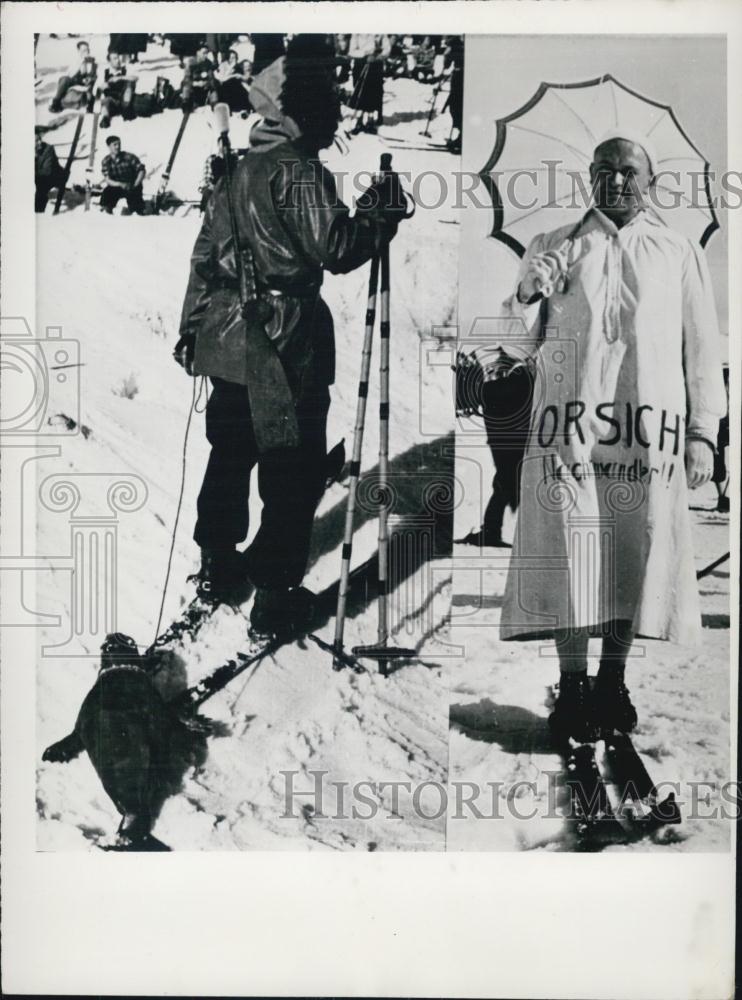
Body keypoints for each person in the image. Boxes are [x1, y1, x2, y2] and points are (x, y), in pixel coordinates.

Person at [174, 36, 409, 638]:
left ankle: (218, 565)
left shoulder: (238, 171)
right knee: (292, 469)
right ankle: (276, 596)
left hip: (227, 343)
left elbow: (205, 260)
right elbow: (335, 248)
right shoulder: (300, 171)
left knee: (228, 456)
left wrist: (190, 330)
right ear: (300, 109)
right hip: (287, 347)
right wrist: (380, 216)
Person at [495, 130, 726, 743]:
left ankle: (611, 681)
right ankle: (572, 685)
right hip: (565, 431)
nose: (616, 179)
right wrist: (525, 293)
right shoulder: (552, 245)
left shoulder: (677, 251)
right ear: (588, 177)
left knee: (634, 548)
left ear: (650, 182)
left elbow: (702, 348)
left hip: (647, 430)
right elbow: (512, 349)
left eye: (628, 170)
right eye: (603, 169)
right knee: (572, 551)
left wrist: (704, 433)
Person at [347, 34, 390, 134]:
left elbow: (387, 48)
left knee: (373, 92)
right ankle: (359, 121)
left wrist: (379, 56)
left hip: (375, 64)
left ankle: (370, 121)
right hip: (360, 64)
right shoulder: (357, 33)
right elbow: (352, 51)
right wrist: (365, 53)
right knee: (361, 93)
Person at [99, 135, 145, 214]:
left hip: (132, 184)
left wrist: (136, 184)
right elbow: (107, 179)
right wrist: (120, 184)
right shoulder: (106, 161)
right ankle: (106, 212)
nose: (118, 147)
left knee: (136, 204)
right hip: (118, 186)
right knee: (107, 193)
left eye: (119, 144)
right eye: (115, 145)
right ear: (109, 146)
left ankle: (138, 213)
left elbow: (141, 171)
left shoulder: (129, 157)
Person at [49, 39, 97, 113]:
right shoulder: (75, 61)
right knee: (64, 79)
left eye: (87, 50)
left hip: (86, 84)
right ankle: (56, 101)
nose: (86, 52)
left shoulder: (92, 61)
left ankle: (88, 103)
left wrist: (90, 77)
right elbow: (70, 74)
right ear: (78, 51)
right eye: (83, 50)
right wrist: (80, 64)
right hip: (75, 81)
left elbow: (96, 74)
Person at [99, 50, 137, 128]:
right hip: (112, 99)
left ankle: (126, 108)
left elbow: (135, 78)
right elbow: (97, 86)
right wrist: (104, 85)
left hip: (126, 98)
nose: (118, 60)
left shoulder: (125, 69)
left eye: (118, 58)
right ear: (109, 62)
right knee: (106, 101)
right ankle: (105, 118)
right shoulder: (105, 72)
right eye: (115, 58)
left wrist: (120, 78)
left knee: (129, 83)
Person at [442, 35, 463, 153]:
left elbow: (447, 64)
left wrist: (447, 54)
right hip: (462, 77)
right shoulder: (462, 47)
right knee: (458, 108)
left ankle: (462, 138)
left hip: (459, 78)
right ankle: (462, 136)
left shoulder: (456, 49)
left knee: (456, 108)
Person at [180, 41, 218, 110]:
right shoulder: (190, 63)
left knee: (214, 87)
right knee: (186, 87)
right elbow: (186, 78)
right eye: (204, 53)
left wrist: (207, 83)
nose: (205, 55)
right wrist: (194, 83)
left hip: (204, 87)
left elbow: (211, 77)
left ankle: (214, 104)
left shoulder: (208, 63)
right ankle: (186, 103)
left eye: (207, 53)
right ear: (198, 53)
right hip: (193, 87)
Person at [713, 365, 729, 513]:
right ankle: (723, 497)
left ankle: (724, 497)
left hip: (724, 421)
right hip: (721, 422)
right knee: (718, 461)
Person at [35, 130, 65, 212]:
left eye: (39, 139)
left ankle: (38, 212)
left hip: (54, 176)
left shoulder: (48, 149)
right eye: (36, 141)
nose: (39, 142)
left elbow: (47, 171)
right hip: (39, 175)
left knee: (41, 186)